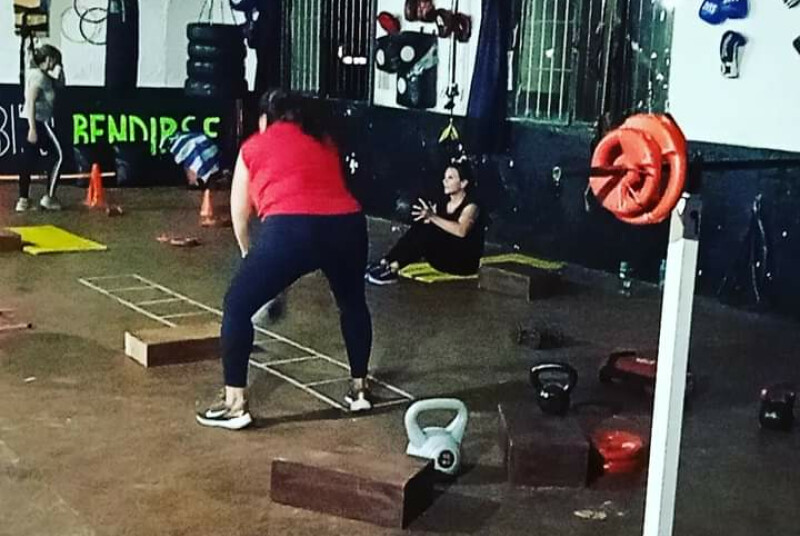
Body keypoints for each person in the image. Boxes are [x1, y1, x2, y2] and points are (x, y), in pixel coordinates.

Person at [196, 89, 373, 430]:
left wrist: (250, 256)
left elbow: (239, 214)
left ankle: (235, 405)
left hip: (291, 228)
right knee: (352, 304)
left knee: (236, 306)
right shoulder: (325, 141)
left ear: (265, 119)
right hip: (349, 226)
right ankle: (360, 389)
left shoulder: (253, 146)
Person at [366, 161, 484, 285]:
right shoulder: (443, 201)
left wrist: (432, 217)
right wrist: (427, 218)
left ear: (463, 183)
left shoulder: (472, 206)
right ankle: (387, 261)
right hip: (443, 256)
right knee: (421, 227)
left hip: (462, 262)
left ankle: (395, 267)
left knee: (428, 233)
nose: (445, 181)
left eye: (450, 178)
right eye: (445, 177)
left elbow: (461, 231)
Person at [17, 39, 65, 212]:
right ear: (50, 60)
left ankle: (23, 201)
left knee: (28, 160)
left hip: (31, 121)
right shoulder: (39, 77)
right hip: (36, 121)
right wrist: (32, 128)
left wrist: (60, 71)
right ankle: (49, 198)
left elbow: (60, 84)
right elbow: (30, 101)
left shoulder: (38, 74)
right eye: (56, 61)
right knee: (59, 156)